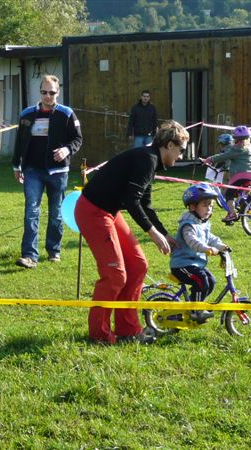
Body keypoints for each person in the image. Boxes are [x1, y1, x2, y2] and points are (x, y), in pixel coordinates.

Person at [74, 120, 188, 345]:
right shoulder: (147, 159)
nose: (181, 156)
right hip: (92, 211)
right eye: (181, 150)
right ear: (169, 145)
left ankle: (128, 329)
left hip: (109, 211)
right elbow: (131, 201)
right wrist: (153, 234)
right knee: (114, 275)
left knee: (138, 265)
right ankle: (99, 335)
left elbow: (145, 204)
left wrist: (164, 233)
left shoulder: (152, 161)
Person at [12, 74, 82, 269]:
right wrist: (17, 165)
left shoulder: (67, 114)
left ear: (58, 92)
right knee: (31, 212)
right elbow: (19, 141)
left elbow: (78, 139)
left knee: (55, 213)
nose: (47, 96)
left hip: (58, 172)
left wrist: (66, 150)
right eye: (44, 92)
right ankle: (29, 255)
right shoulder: (27, 114)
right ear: (40, 92)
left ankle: (54, 251)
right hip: (32, 170)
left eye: (51, 93)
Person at [170, 183, 229, 322]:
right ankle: (195, 311)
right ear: (192, 207)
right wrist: (206, 248)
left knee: (211, 281)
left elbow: (210, 238)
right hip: (182, 265)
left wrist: (221, 246)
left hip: (194, 265)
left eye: (211, 206)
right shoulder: (188, 225)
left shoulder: (202, 224)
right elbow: (192, 241)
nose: (209, 208)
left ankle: (194, 306)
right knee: (201, 280)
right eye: (205, 205)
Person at [201, 125, 251, 223]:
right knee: (241, 197)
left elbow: (223, 156)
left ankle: (232, 214)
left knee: (229, 194)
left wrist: (209, 159)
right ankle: (246, 210)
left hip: (240, 176)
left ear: (235, 139)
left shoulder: (236, 149)